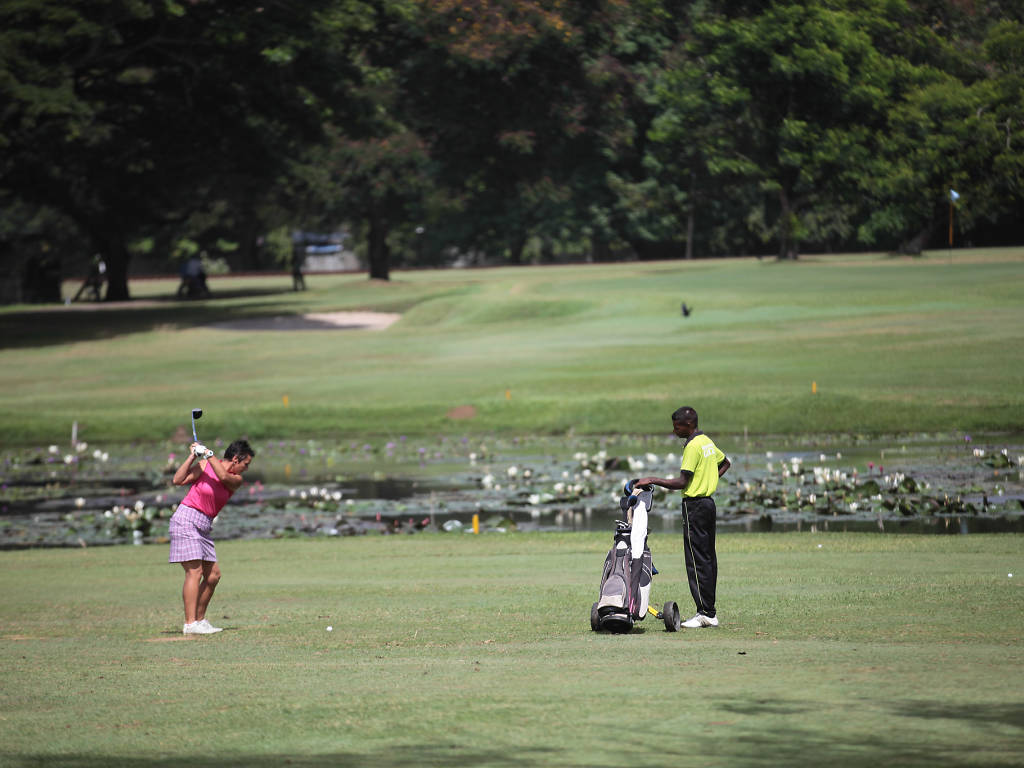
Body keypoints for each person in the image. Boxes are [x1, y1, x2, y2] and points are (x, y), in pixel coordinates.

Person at [633, 406, 730, 628]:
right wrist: (709, 481)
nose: (674, 430)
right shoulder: (705, 441)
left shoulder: (693, 446)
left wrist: (652, 479)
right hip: (708, 504)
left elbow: (682, 483)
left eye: (677, 427)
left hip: (695, 506)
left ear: (688, 425)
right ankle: (709, 610)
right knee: (707, 558)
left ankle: (705, 613)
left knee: (696, 560)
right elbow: (725, 463)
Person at [168, 439, 255, 635]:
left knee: (213, 576)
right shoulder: (205, 465)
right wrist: (193, 456)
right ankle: (190, 624)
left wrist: (207, 453)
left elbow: (223, 476)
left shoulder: (235, 480)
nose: (246, 468)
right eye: (245, 464)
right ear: (235, 458)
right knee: (194, 572)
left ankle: (199, 620)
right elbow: (178, 480)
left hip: (204, 526)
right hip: (186, 519)